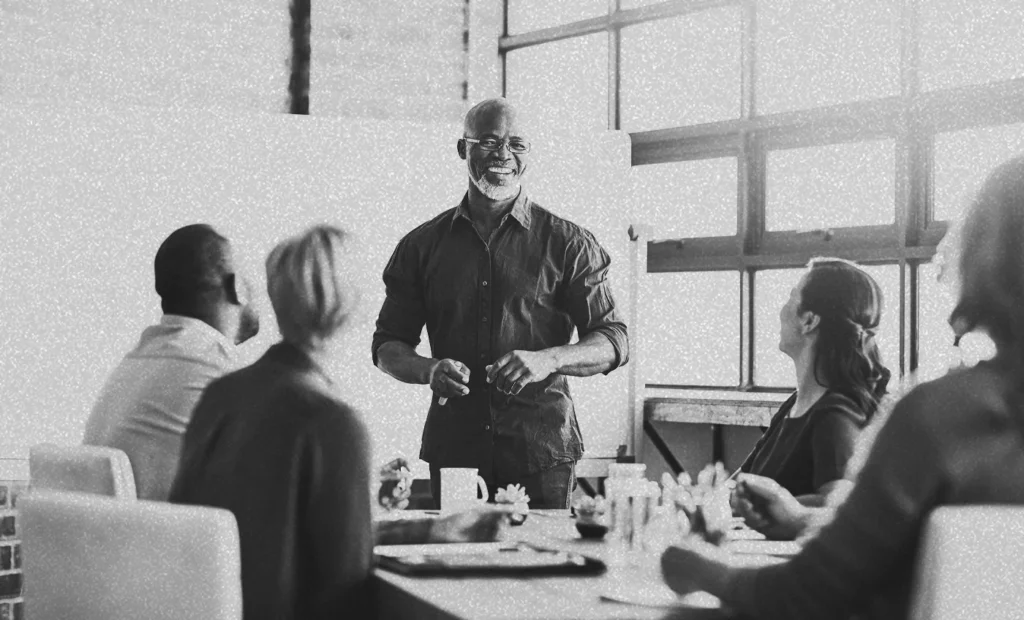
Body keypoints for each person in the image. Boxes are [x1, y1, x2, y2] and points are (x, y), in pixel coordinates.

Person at [662, 154, 1024, 620]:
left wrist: (701, 570)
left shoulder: (941, 416)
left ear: (984, 254)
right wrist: (802, 520)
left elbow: (802, 596)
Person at [170, 225, 507, 620]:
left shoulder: (221, 395)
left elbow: (291, 536)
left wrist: (427, 532)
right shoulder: (332, 422)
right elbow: (343, 591)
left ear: (277, 297)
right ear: (357, 306)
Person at [371, 97, 629, 509]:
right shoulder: (420, 247)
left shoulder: (570, 243)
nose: (504, 155)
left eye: (517, 144)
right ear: (463, 149)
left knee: (543, 570)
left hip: (541, 454)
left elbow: (614, 340)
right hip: (455, 454)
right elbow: (387, 346)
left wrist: (549, 360)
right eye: (489, 142)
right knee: (458, 569)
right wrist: (428, 370)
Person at [83, 223, 260, 500]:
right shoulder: (219, 369)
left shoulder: (133, 365)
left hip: (116, 539)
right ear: (238, 287)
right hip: (165, 541)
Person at [733, 259, 891, 509]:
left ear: (809, 321)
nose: (781, 310)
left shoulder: (835, 416)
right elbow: (738, 483)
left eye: (790, 298)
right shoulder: (793, 405)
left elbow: (840, 504)